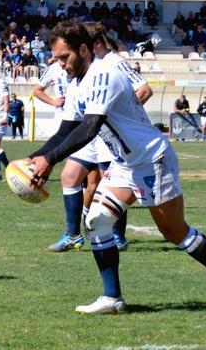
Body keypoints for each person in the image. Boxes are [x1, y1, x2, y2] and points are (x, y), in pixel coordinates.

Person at [27, 20, 206, 315]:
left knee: (176, 233)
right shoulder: (77, 82)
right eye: (57, 59)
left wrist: (50, 160)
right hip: (124, 164)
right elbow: (68, 129)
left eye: (64, 57)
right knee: (97, 222)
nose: (61, 64)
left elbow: (89, 128)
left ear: (84, 49)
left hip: (152, 160)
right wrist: (35, 157)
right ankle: (112, 297)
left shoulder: (105, 73)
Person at [35, 24, 151, 253]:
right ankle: (72, 235)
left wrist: (121, 115)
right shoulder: (77, 76)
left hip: (111, 135)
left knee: (115, 185)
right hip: (87, 131)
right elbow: (69, 127)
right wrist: (36, 158)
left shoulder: (114, 64)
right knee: (70, 177)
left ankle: (118, 236)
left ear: (91, 45)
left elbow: (144, 90)